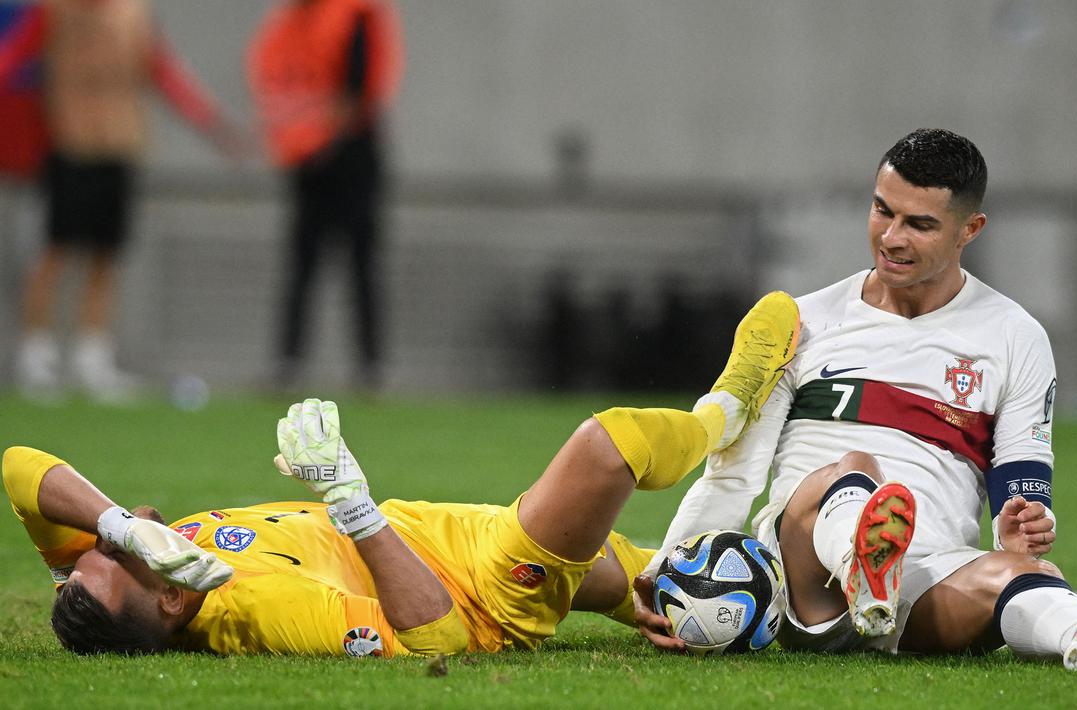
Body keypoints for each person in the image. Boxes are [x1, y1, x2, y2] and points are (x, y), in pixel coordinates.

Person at [633, 129, 1077, 670]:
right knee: (855, 470)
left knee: (1028, 576)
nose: (891, 238)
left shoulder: (1014, 335)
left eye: (919, 224)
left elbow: (1022, 478)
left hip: (922, 581)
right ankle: (863, 570)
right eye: (881, 210)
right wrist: (669, 572)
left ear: (970, 230)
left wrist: (1021, 526)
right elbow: (735, 472)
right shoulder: (804, 320)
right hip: (802, 582)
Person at [4, 292, 800, 656]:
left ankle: (715, 589)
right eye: (122, 562)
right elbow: (434, 639)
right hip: (487, 591)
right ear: (173, 600)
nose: (114, 542)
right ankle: (725, 419)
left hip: (468, 529)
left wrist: (113, 529)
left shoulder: (132, 551)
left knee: (664, 585)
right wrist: (350, 500)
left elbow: (18, 466)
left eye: (95, 550)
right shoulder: (257, 610)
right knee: (607, 446)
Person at [0, 0, 241, 403]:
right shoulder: (53, 12)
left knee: (105, 254)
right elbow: (11, 59)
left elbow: (165, 75)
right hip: (70, 143)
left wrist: (214, 126)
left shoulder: (134, 15)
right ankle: (36, 355)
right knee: (55, 251)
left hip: (120, 145)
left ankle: (92, 358)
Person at [247, 0, 402, 390]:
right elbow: (275, 75)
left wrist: (324, 134)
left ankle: (370, 366)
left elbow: (360, 87)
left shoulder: (353, 13)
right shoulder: (291, 21)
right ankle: (289, 361)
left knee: (361, 263)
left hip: (351, 155)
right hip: (309, 158)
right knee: (302, 263)